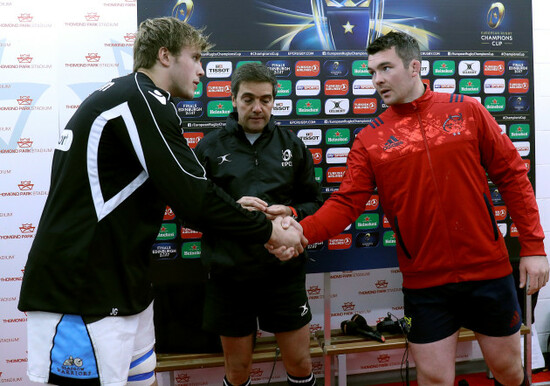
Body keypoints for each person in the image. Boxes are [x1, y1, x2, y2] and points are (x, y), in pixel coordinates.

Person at [18, 17, 305, 386]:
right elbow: (194, 198)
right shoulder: (138, 98)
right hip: (82, 292)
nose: (202, 70)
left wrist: (238, 212)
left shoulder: (138, 98)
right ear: (165, 55)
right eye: (196, 57)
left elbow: (189, 191)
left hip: (122, 286)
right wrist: (266, 230)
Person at [281, 31, 549, 385]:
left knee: (509, 372)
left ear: (414, 67)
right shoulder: (369, 139)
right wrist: (301, 231)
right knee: (434, 378)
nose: (376, 79)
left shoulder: (467, 110)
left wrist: (532, 246)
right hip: (425, 283)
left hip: (489, 272)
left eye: (385, 68)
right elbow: (346, 204)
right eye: (371, 71)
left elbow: (513, 177)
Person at [194, 62, 323, 386]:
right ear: (233, 98)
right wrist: (231, 208)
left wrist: (291, 213)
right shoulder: (209, 147)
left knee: (300, 361)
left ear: (274, 100)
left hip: (283, 272)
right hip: (230, 273)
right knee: (237, 369)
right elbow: (190, 211)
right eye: (248, 98)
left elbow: (315, 204)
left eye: (265, 100)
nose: (257, 108)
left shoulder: (293, 146)